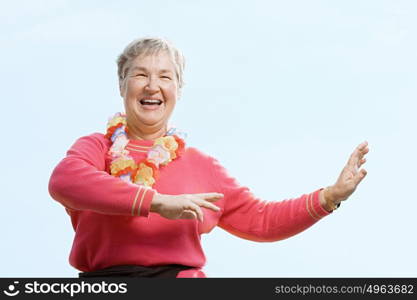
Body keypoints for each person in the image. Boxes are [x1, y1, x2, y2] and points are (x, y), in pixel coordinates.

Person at [48, 37, 369, 278]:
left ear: (178, 88)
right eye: (140, 74)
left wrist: (330, 197)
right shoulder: (97, 148)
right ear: (122, 84)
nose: (152, 86)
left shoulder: (202, 166)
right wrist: (157, 202)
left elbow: (261, 219)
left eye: (165, 76)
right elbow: (65, 181)